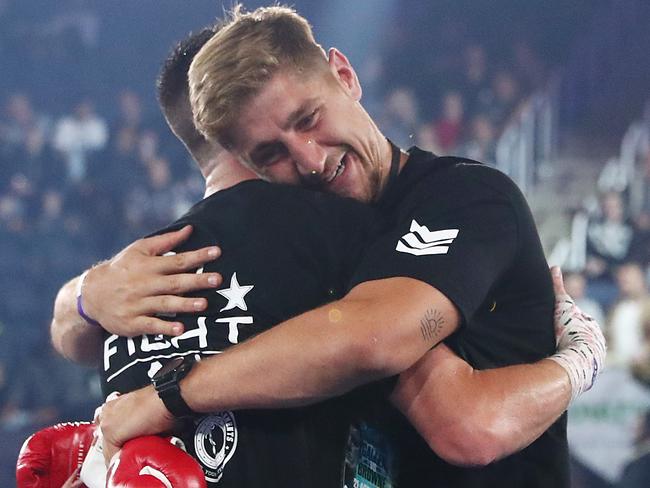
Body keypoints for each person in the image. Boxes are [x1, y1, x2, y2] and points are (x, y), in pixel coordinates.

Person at [51, 7, 604, 488]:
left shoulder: (467, 198)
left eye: (309, 119)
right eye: (272, 153)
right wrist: (84, 295)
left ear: (345, 74)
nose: (311, 160)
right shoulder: (319, 241)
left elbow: (450, 411)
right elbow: (75, 337)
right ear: (246, 163)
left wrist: (582, 361)